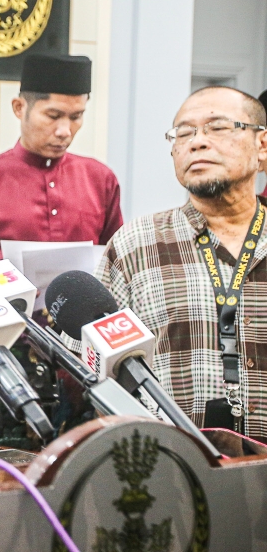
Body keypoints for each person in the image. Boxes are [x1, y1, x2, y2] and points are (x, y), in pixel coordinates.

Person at [97, 86, 267, 443]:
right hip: (176, 473)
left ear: (262, 147)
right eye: (184, 132)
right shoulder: (135, 246)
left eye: (218, 128)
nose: (197, 142)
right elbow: (98, 374)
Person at [0, 54, 123, 264]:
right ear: (20, 108)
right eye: (53, 116)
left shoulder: (101, 179)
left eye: (76, 117)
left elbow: (116, 258)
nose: (65, 131)